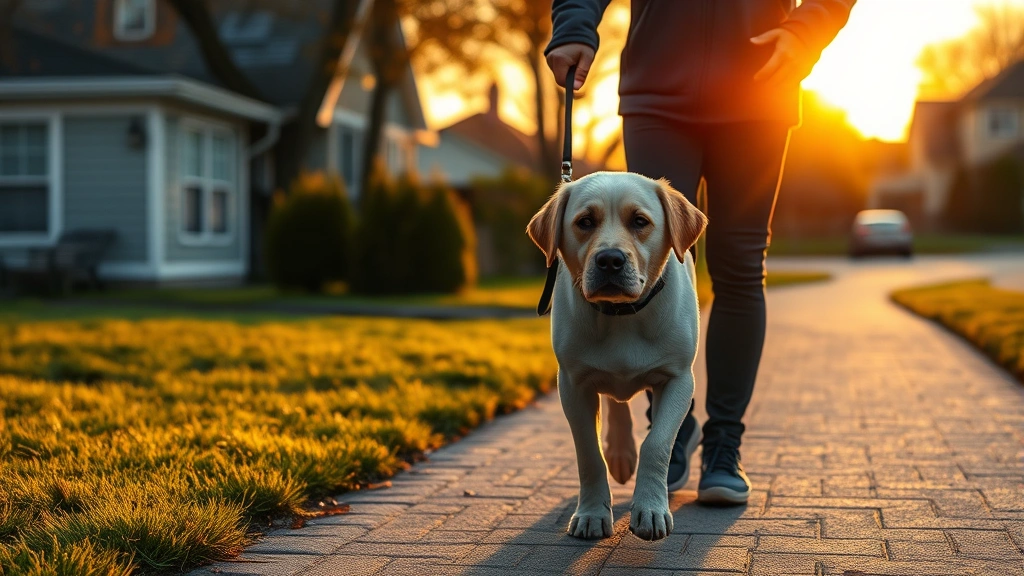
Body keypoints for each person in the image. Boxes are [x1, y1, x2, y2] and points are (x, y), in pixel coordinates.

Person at [546, 0, 855, 505]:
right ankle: (670, 431)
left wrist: (807, 29)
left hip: (761, 87)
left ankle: (723, 447)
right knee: (639, 259)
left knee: (739, 264)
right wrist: (574, 22)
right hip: (658, 86)